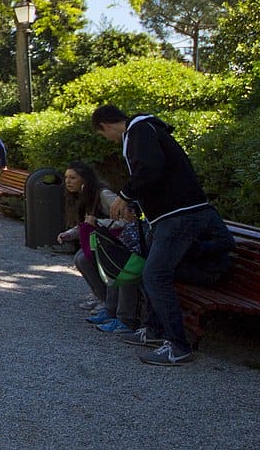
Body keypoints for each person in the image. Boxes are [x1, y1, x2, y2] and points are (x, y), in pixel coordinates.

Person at [92, 105, 236, 366]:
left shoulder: (138, 131)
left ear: (105, 126)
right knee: (152, 270)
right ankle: (155, 331)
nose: (109, 139)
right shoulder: (143, 130)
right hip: (173, 215)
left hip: (179, 215)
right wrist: (136, 204)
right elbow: (157, 176)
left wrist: (126, 195)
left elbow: (150, 168)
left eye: (104, 135)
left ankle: (178, 346)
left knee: (155, 275)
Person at [54, 162, 140, 334]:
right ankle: (105, 302)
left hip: (122, 243)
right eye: (66, 178)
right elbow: (85, 223)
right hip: (104, 241)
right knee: (81, 258)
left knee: (94, 261)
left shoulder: (103, 194)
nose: (68, 182)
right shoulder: (81, 196)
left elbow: (129, 220)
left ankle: (113, 310)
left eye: (73, 178)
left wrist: (100, 222)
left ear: (84, 180)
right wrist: (69, 234)